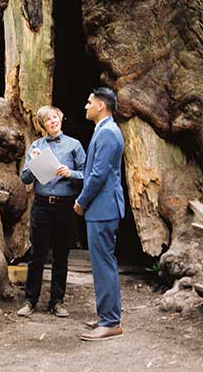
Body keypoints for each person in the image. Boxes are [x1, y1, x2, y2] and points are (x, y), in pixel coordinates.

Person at [17, 105, 86, 318]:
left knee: (61, 256)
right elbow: (25, 178)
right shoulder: (37, 146)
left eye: (55, 117)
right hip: (42, 205)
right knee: (37, 255)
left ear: (61, 118)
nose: (53, 121)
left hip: (65, 206)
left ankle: (57, 301)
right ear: (43, 125)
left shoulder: (74, 145)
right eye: (48, 120)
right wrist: (34, 162)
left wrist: (71, 173)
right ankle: (30, 301)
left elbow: (87, 174)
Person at [74, 87, 125, 341]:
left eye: (89, 102)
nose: (86, 106)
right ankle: (108, 316)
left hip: (103, 208)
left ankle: (110, 322)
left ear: (101, 106)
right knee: (103, 263)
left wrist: (81, 202)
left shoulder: (107, 133)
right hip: (103, 208)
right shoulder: (104, 130)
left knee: (103, 264)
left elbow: (98, 174)